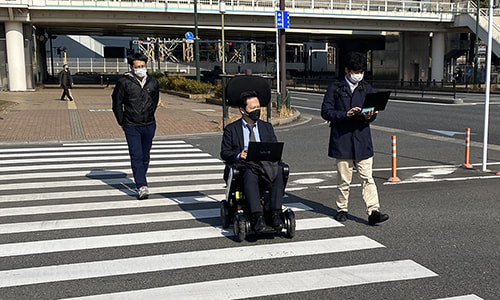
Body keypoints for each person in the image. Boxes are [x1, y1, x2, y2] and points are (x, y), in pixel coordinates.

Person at [320, 51, 389, 226]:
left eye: (361, 72)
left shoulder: (366, 88)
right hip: (342, 139)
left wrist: (369, 115)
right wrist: (346, 114)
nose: (358, 75)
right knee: (344, 180)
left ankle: (374, 211)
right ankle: (342, 209)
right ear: (347, 70)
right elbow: (325, 112)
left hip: (362, 139)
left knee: (367, 178)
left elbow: (373, 114)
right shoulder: (335, 88)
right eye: (355, 71)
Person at [220, 90, 284, 233]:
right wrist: (238, 154)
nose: (257, 110)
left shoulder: (266, 127)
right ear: (243, 110)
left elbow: (274, 147)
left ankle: (275, 213)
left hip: (265, 164)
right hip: (245, 165)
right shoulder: (232, 129)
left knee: (279, 169)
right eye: (253, 108)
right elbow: (224, 152)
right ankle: (257, 215)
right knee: (249, 172)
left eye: (258, 107)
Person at [112, 53, 159, 200]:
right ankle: (141, 185)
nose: (141, 69)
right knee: (136, 155)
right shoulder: (124, 82)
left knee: (145, 156)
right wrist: (122, 121)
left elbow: (155, 100)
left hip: (149, 124)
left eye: (143, 66)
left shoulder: (153, 82)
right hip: (131, 125)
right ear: (131, 68)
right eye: (137, 67)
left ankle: (140, 177)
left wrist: (150, 114)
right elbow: (116, 104)